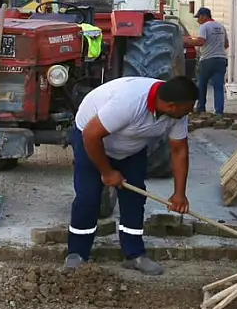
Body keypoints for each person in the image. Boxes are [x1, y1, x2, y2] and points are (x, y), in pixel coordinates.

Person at [65, 75, 199, 276]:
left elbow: (179, 150)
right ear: (171, 106)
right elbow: (91, 135)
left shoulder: (177, 115)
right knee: (88, 198)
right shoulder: (129, 102)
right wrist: (107, 172)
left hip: (131, 149)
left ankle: (134, 254)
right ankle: (77, 253)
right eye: (187, 109)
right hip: (91, 142)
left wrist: (179, 193)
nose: (189, 113)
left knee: (135, 199)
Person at [190, 7, 229, 115]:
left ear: (204, 16)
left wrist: (189, 41)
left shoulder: (204, 27)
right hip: (221, 59)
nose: (198, 20)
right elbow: (226, 45)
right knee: (218, 87)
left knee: (202, 85)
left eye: (199, 17)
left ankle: (201, 108)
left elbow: (200, 42)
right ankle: (219, 112)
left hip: (207, 60)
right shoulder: (221, 26)